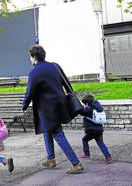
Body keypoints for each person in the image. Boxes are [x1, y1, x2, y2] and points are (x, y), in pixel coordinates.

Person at [21, 44, 84, 174]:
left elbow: (29, 93)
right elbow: (66, 83)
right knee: (47, 129)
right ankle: (51, 159)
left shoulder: (34, 72)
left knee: (57, 134)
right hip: (60, 105)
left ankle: (76, 163)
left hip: (48, 109)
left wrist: (24, 106)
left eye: (30, 57)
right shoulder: (55, 66)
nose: (29, 59)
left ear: (34, 57)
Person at [79, 94, 112, 164]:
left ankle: (87, 154)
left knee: (84, 139)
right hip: (99, 129)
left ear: (87, 103)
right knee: (100, 143)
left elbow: (81, 112)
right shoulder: (98, 107)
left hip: (92, 130)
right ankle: (108, 156)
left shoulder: (88, 109)